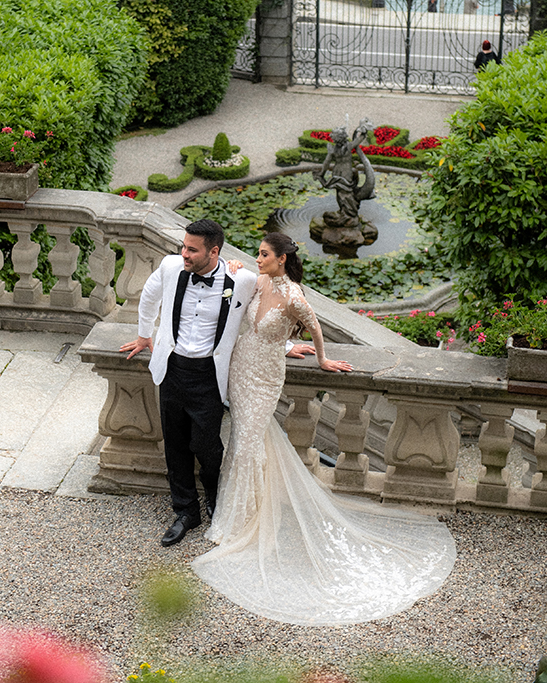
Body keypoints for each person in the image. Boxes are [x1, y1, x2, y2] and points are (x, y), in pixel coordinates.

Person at [191, 232, 457, 626]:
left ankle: (243, 521)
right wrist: (235, 270)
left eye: (264, 255)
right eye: (258, 254)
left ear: (281, 259)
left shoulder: (295, 296)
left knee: (247, 442)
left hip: (265, 377)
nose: (257, 259)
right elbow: (245, 308)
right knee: (244, 440)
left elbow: (316, 328)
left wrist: (322, 360)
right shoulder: (260, 280)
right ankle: (242, 509)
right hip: (241, 367)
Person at [119, 219, 318, 547]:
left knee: (207, 447)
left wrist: (285, 345)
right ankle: (185, 511)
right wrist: (144, 335)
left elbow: (263, 314)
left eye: (191, 250)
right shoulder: (171, 267)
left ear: (214, 251)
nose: (184, 253)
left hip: (209, 377)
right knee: (176, 445)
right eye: (183, 246)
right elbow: (149, 295)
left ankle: (215, 499)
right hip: (172, 369)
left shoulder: (240, 279)